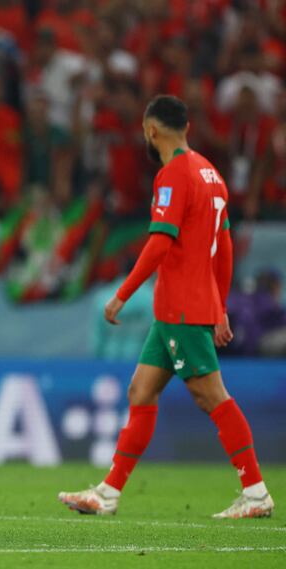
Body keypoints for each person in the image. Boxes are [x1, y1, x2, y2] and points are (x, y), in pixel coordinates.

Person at [58, 95, 275, 519]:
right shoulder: (211, 174)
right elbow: (224, 247)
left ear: (150, 131)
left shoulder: (172, 175)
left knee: (211, 395)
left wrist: (122, 293)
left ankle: (255, 491)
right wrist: (222, 304)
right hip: (181, 308)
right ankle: (108, 492)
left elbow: (160, 240)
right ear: (187, 128)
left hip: (181, 306)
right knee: (141, 390)